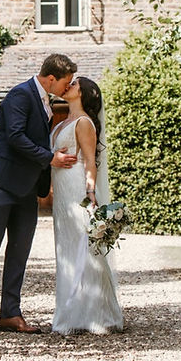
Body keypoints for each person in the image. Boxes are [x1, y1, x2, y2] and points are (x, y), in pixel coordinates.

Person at [0, 53, 79, 335]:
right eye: (66, 81)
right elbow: (15, 138)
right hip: (2, 184)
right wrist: (50, 158)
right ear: (51, 78)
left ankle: (10, 315)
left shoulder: (47, 101)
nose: (68, 86)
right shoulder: (19, 95)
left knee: (20, 251)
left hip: (27, 188)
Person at [49, 76, 123, 334]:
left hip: (78, 190)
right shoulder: (63, 123)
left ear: (84, 94)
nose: (68, 85)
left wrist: (91, 194)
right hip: (62, 194)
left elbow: (90, 161)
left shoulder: (83, 123)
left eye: (75, 84)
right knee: (67, 250)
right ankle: (72, 311)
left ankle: (95, 314)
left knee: (85, 249)